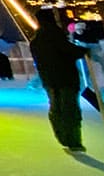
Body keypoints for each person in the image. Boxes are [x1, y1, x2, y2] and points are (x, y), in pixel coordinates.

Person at [30, 8, 89, 152]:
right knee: (69, 108)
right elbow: (67, 50)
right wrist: (82, 51)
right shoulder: (54, 34)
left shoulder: (36, 39)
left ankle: (61, 135)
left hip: (49, 79)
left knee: (56, 107)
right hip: (65, 78)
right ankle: (72, 140)